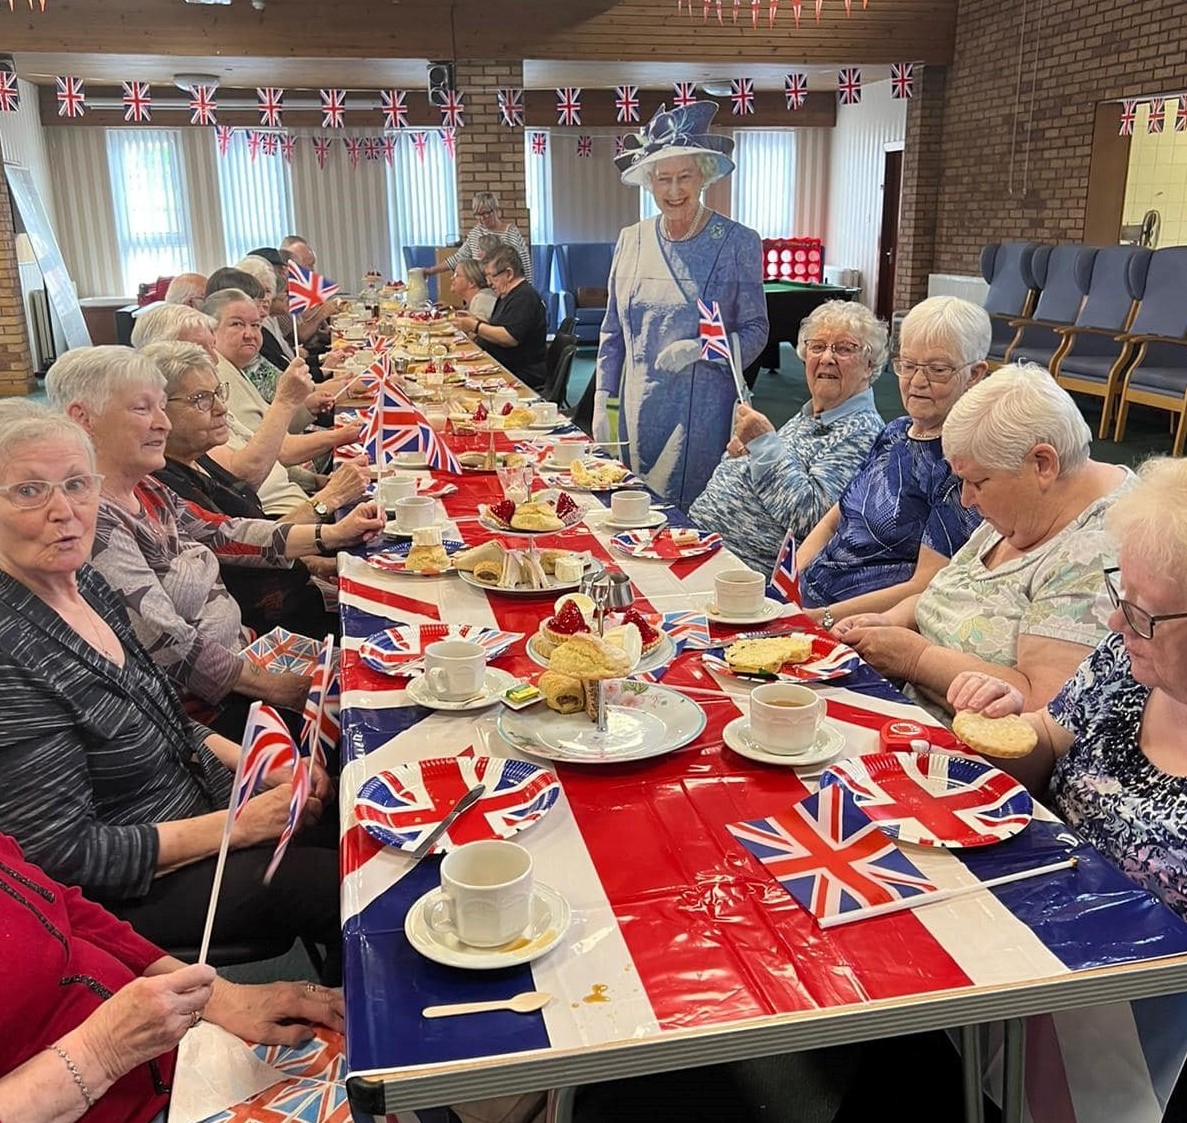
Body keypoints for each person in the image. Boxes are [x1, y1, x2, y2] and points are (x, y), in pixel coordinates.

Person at [0, 404, 342, 968]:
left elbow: (168, 717)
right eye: (30, 491)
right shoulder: (13, 659)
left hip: (202, 804)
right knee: (346, 886)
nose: (65, 512)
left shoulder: (83, 579)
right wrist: (238, 826)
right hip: (135, 885)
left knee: (355, 808)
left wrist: (270, 766)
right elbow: (63, 855)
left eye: (78, 485)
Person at [44, 346, 383, 727]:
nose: (163, 424)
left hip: (251, 655)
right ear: (83, 419)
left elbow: (225, 532)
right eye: (143, 409)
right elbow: (169, 645)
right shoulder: (90, 521)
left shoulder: (145, 486)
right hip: (217, 709)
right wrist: (282, 688)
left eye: (161, 407)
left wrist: (331, 533)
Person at [947, 456, 1187, 921]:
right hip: (1029, 899)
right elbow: (1050, 739)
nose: (1117, 623)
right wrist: (1006, 728)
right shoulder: (1125, 656)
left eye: (1144, 612)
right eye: (1123, 594)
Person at [838, 365, 1135, 715]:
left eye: (978, 483)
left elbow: (1046, 711)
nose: (966, 499)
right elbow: (953, 590)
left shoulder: (1100, 552)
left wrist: (916, 660)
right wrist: (890, 622)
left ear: (1043, 463)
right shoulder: (1032, 504)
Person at [0, 830, 344, 1123]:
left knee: (369, 1056)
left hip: (182, 1053)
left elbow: (64, 906)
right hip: (129, 1098)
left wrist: (222, 997)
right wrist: (100, 1053)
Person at [594, 101, 768, 509]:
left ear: (703, 177)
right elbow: (613, 335)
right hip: (637, 414)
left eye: (685, 177)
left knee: (690, 530)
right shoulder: (630, 240)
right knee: (633, 516)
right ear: (649, 183)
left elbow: (757, 330)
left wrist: (701, 349)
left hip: (703, 418)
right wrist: (604, 401)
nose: (674, 191)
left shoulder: (737, 242)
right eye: (663, 179)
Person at [145, 341, 365, 634]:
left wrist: (313, 562)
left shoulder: (198, 456)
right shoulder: (161, 482)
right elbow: (233, 543)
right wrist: (329, 505)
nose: (222, 408)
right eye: (201, 399)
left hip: (299, 585)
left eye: (218, 393)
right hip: (272, 624)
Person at [795, 295, 991, 623]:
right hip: (808, 600)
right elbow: (834, 520)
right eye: (908, 366)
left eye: (938, 370)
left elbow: (924, 586)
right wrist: (788, 579)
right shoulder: (896, 432)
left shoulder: (961, 466)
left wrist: (816, 618)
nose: (916, 382)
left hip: (857, 625)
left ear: (974, 374)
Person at [687, 301, 886, 574]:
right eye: (817, 347)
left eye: (844, 349)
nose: (827, 358)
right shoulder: (812, 415)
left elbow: (810, 520)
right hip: (701, 544)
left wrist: (764, 445)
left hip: (739, 573)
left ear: (869, 366)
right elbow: (773, 474)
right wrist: (742, 455)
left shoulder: (863, 433)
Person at [454, 244, 548, 391]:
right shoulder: (506, 295)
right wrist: (475, 320)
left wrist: (475, 326)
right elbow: (498, 326)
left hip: (517, 374)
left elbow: (509, 337)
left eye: (491, 276)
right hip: (501, 367)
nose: (489, 282)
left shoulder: (524, 297)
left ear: (509, 273)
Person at [424, 191, 532, 283]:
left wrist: (526, 290)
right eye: (478, 215)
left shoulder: (511, 233)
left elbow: (524, 265)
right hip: (483, 287)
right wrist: (430, 271)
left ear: (496, 210)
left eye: (487, 213)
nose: (483, 218)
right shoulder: (475, 233)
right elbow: (459, 258)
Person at [451, 257, 497, 322]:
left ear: (472, 283)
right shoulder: (479, 297)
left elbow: (478, 330)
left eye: (457, 275)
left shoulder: (482, 298)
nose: (452, 278)